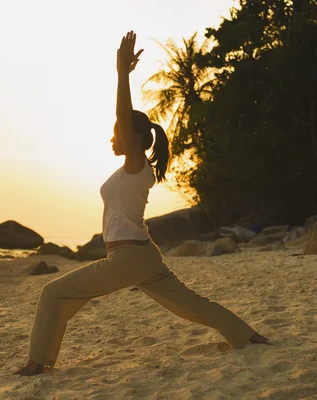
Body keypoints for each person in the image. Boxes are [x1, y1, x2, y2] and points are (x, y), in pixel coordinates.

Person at [14, 31, 270, 377]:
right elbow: (124, 124)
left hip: (128, 258)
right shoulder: (130, 171)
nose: (111, 137)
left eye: (116, 131)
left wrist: (122, 74)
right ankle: (247, 337)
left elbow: (123, 115)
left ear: (133, 138)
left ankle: (36, 363)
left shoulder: (137, 167)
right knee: (191, 305)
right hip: (141, 255)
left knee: (52, 293)